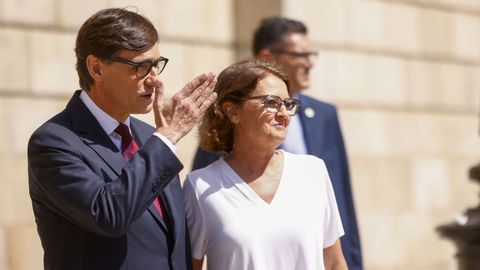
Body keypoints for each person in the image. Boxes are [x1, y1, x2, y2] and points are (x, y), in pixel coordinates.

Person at [27, 8, 216, 270]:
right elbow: (109, 215)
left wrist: (164, 139)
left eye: (156, 65)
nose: (153, 80)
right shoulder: (53, 142)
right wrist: (168, 138)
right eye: (140, 67)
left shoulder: (152, 136)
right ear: (96, 68)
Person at [192, 17, 362, 269]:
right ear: (232, 111)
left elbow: (336, 253)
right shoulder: (202, 185)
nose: (284, 113)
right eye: (271, 102)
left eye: (288, 104)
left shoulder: (314, 169)